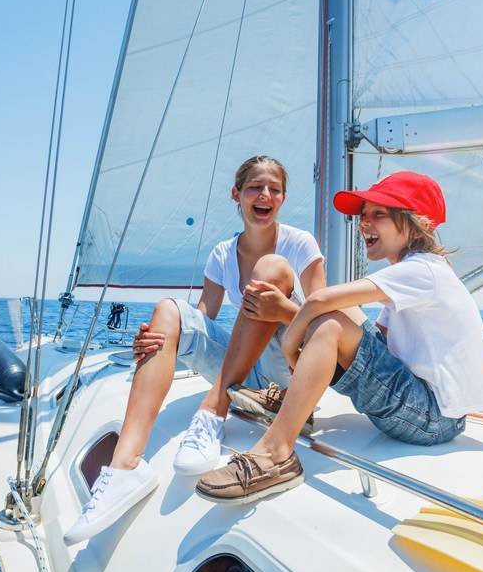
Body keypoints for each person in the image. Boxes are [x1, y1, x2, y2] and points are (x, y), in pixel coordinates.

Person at [64, 155, 339, 544]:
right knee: (167, 311)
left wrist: (281, 311)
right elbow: (202, 319)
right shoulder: (222, 255)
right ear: (237, 195)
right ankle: (125, 469)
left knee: (271, 271)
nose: (265, 195)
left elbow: (324, 324)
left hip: (290, 370)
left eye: (274, 190)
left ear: (283, 198)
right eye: (254, 188)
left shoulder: (299, 244)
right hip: (246, 373)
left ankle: (213, 411)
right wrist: (160, 337)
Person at [195, 171, 483, 504]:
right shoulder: (419, 272)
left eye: (378, 214)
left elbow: (318, 301)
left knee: (331, 322)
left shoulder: (423, 270)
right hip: (428, 410)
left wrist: (290, 343)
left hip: (432, 418)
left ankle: (275, 454)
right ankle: (292, 404)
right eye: (363, 215)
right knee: (346, 317)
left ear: (415, 223)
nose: (364, 223)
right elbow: (372, 340)